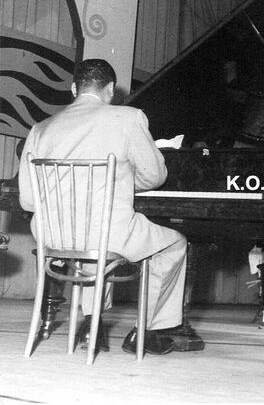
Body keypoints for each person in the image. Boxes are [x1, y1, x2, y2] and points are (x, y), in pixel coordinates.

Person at [18, 59, 188, 356]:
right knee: (173, 244)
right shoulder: (129, 118)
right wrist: (118, 184)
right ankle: (148, 330)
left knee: (91, 246)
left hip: (53, 237)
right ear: (110, 89)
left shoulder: (40, 128)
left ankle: (90, 323)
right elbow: (154, 175)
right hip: (108, 233)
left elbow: (28, 201)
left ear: (74, 89)